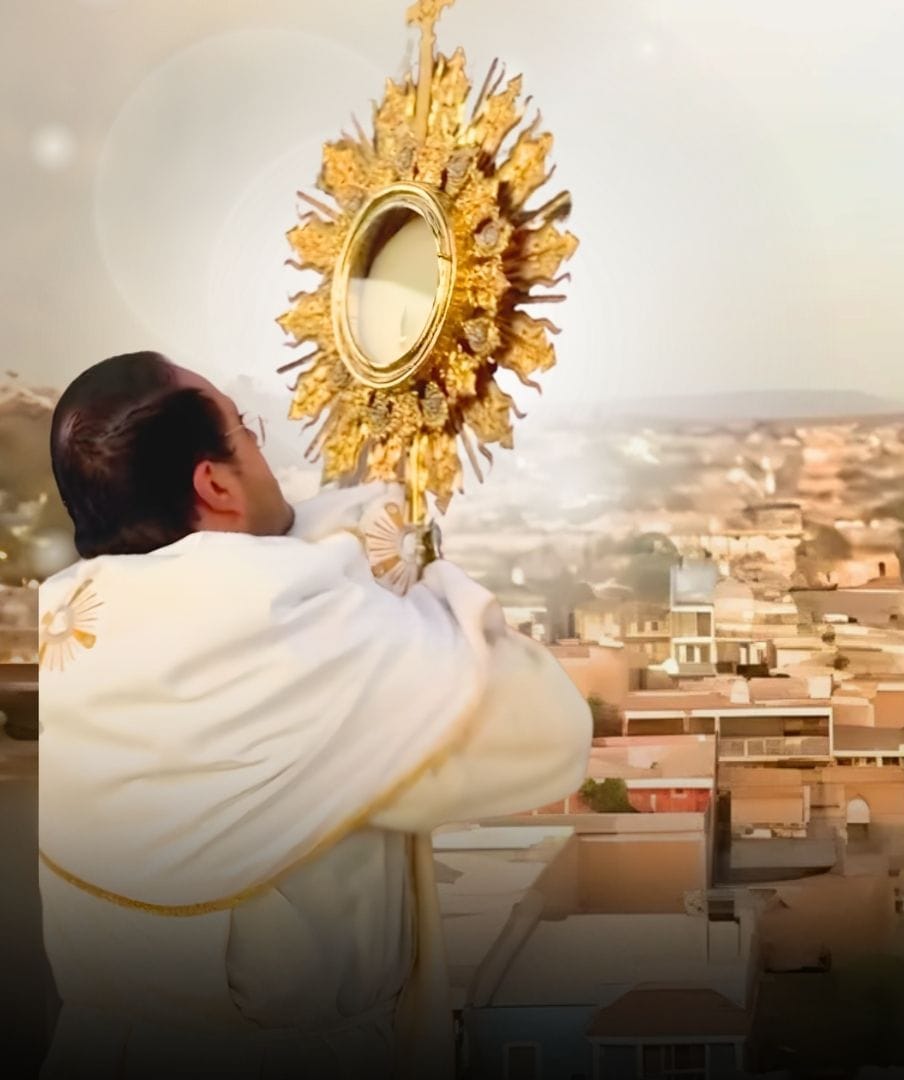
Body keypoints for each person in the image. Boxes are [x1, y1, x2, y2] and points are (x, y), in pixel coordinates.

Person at [37, 352, 591, 1079]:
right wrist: (412, 571)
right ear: (214, 484)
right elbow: (545, 732)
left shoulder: (84, 617)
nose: (265, 456)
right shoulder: (282, 637)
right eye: (248, 431)